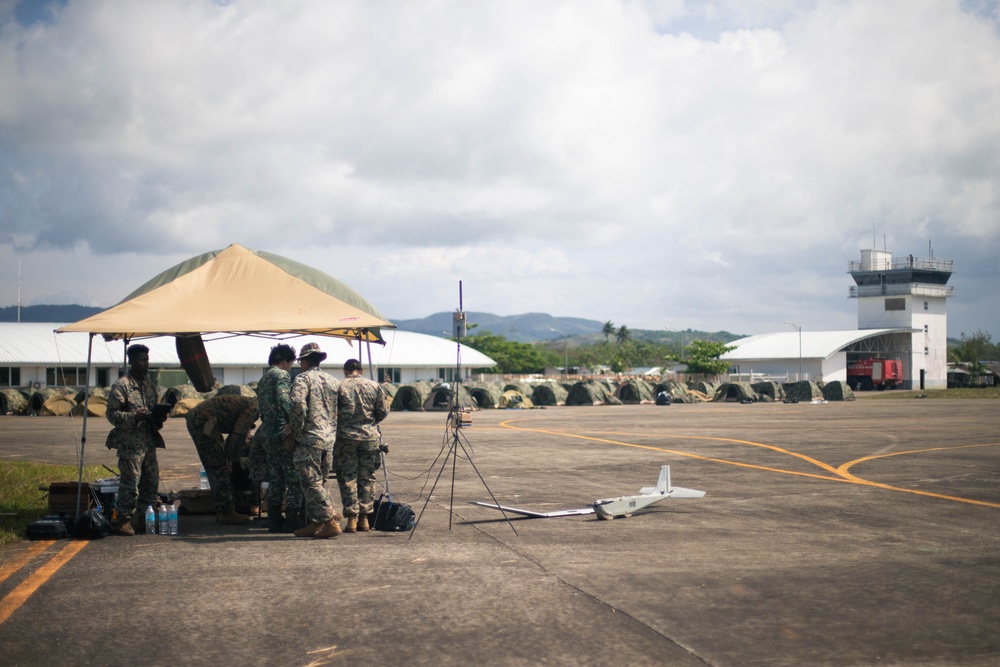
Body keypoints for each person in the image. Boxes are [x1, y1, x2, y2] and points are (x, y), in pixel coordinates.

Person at [106, 344, 165, 536]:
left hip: (148, 442)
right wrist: (133, 417)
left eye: (147, 360)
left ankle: (143, 519)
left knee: (150, 482)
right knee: (130, 482)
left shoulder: (149, 385)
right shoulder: (121, 385)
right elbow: (112, 414)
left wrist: (159, 415)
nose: (145, 364)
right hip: (130, 443)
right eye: (141, 360)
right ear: (131, 361)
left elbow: (154, 407)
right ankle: (123, 520)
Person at [288, 342, 342, 539]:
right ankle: (316, 522)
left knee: (311, 483)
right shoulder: (333, 381)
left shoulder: (303, 379)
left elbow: (297, 405)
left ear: (303, 361)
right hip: (329, 439)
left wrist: (295, 431)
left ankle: (329, 522)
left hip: (310, 439)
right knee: (320, 482)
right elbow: (345, 408)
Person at [334, 358, 390, 533]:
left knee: (347, 478)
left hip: (345, 438)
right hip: (369, 438)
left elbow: (331, 412)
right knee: (367, 477)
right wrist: (369, 423)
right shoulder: (374, 386)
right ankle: (365, 519)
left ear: (345, 370)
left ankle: (351, 519)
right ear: (361, 370)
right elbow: (383, 411)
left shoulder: (338, 386)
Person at [254, 343, 306, 533]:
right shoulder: (281, 375)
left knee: (276, 477)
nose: (290, 367)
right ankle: (292, 519)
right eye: (290, 363)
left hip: (267, 432)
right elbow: (285, 400)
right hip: (280, 433)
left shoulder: (263, 378)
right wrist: (293, 423)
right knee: (293, 477)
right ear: (284, 360)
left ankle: (274, 520)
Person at [185, 394, 259, 525]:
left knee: (216, 465)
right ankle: (226, 512)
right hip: (204, 422)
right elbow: (238, 434)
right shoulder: (254, 407)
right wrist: (229, 458)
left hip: (203, 421)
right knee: (219, 466)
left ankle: (222, 510)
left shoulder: (251, 403)